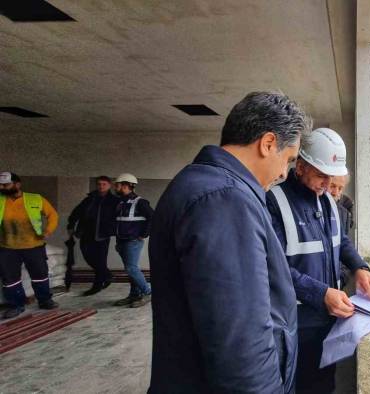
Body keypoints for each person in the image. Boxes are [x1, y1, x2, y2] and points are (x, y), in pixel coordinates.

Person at [148, 91, 310, 393]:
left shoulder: (206, 186)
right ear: (268, 143)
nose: (282, 173)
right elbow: (240, 339)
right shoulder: (224, 200)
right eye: (288, 160)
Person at [266, 128, 370, 394]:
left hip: (327, 317)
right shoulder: (274, 202)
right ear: (302, 165)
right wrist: (320, 293)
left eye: (331, 177)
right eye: (321, 175)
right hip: (291, 321)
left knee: (322, 383)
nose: (327, 183)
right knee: (293, 384)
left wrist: (359, 268)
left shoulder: (328, 202)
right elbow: (272, 268)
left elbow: (341, 242)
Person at [0, 172, 59, 319]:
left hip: (33, 245)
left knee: (40, 275)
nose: (2, 187)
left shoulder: (35, 199)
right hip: (7, 247)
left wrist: (48, 231)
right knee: (10, 279)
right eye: (0, 185)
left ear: (17, 184)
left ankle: (45, 300)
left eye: (6, 185)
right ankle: (16, 305)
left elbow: (53, 215)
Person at [67, 176, 120, 296]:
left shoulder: (114, 201)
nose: (101, 186)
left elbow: (118, 218)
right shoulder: (90, 198)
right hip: (86, 232)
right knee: (88, 256)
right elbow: (77, 212)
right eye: (99, 184)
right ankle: (107, 275)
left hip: (102, 234)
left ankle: (97, 285)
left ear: (109, 185)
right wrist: (71, 225)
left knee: (100, 260)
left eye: (104, 184)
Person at [113, 173, 153, 308]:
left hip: (133, 241)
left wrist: (144, 234)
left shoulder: (140, 202)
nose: (115, 187)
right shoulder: (120, 202)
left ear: (125, 186)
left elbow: (153, 218)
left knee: (131, 269)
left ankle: (148, 292)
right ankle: (134, 294)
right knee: (130, 269)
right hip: (122, 241)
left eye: (117, 185)